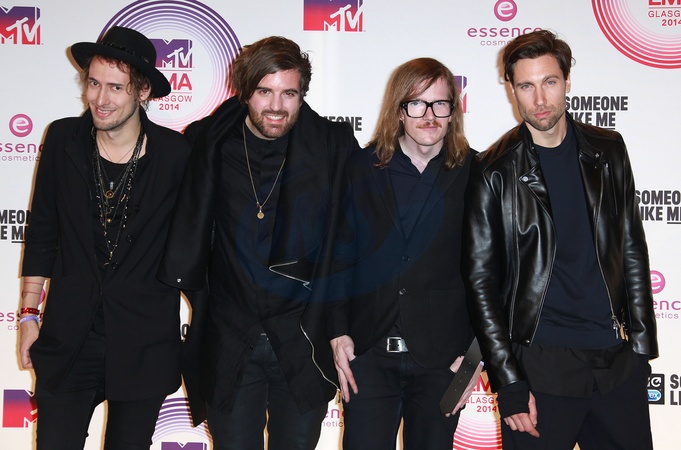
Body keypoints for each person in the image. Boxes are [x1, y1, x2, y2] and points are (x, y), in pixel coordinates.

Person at [157, 36, 359, 449]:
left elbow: (354, 240)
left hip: (303, 342)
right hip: (230, 339)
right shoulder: (207, 143)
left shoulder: (333, 147)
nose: (276, 106)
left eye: (289, 94)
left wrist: (341, 327)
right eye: (265, 92)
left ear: (302, 94)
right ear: (245, 90)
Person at [462, 29, 657, 450]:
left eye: (549, 82)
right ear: (512, 90)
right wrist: (509, 380)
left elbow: (631, 248)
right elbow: (481, 284)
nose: (540, 99)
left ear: (567, 81)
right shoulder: (494, 170)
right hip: (540, 369)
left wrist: (642, 350)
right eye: (526, 86)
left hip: (615, 364)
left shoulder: (608, 150)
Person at [18, 26, 191, 450]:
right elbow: (42, 230)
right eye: (94, 83)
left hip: (144, 340)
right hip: (70, 335)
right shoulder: (63, 139)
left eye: (115, 87)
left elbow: (195, 243)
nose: (101, 99)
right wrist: (27, 315)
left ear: (143, 91)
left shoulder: (176, 154)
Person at [324, 58, 480, 450]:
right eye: (416, 104)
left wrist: (475, 357)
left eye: (439, 104)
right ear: (398, 110)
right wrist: (338, 332)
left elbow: (494, 273)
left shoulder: (477, 172)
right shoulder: (360, 167)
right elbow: (339, 256)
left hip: (444, 361)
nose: (429, 116)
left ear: (453, 111)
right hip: (368, 356)